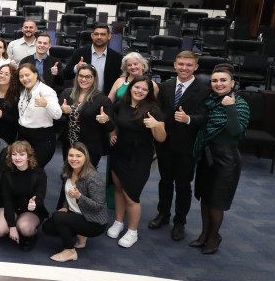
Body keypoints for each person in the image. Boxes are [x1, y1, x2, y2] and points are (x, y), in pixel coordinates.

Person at [148, 51, 209, 242]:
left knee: (183, 186)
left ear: (196, 67)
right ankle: (163, 214)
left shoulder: (203, 90)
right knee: (165, 182)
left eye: (189, 65)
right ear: (175, 65)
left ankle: (180, 222)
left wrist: (188, 118)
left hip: (187, 147)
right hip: (165, 144)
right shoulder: (165, 86)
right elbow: (159, 113)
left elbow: (205, 117)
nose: (184, 68)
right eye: (181, 64)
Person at [191, 64, 250, 255]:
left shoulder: (239, 103)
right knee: (205, 198)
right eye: (215, 80)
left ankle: (214, 237)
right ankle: (204, 234)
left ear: (232, 83)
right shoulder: (210, 101)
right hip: (207, 155)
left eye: (223, 80)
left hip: (226, 160)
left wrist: (231, 108)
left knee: (216, 202)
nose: (218, 84)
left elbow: (236, 132)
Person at [107, 76, 167, 248]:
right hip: (119, 153)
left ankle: (132, 231)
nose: (139, 91)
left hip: (140, 158)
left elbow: (161, 139)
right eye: (137, 87)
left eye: (144, 89)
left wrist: (156, 125)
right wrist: (112, 135)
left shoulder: (154, 110)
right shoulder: (122, 105)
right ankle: (118, 222)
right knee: (118, 190)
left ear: (149, 93)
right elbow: (113, 122)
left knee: (131, 196)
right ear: (131, 88)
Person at [42, 142, 107, 262]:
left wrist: (80, 196)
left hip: (94, 222)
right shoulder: (68, 172)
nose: (74, 159)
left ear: (85, 157)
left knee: (58, 218)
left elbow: (99, 206)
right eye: (71, 155)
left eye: (78, 156)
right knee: (48, 227)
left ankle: (70, 251)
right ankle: (80, 236)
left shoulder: (93, 178)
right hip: (77, 214)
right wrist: (66, 207)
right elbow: (68, 195)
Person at [0, 140, 48, 251]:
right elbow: (7, 200)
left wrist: (35, 204)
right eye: (14, 154)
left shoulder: (39, 174)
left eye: (22, 154)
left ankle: (30, 235)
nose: (18, 158)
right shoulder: (7, 173)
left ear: (28, 156)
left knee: (24, 227)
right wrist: (12, 226)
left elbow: (40, 197)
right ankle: (15, 226)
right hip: (11, 207)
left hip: (30, 210)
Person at [58, 64, 114, 168]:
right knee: (69, 174)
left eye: (88, 77)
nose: (84, 79)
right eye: (81, 76)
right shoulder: (67, 93)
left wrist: (105, 120)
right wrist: (61, 110)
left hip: (90, 147)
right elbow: (56, 116)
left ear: (94, 78)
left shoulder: (102, 100)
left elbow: (111, 127)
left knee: (86, 177)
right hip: (70, 144)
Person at [16, 63, 61, 168]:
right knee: (22, 168)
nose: (24, 79)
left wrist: (46, 104)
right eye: (21, 76)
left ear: (36, 74)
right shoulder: (24, 90)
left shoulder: (46, 91)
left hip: (41, 139)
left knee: (34, 170)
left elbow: (58, 114)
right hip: (23, 136)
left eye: (27, 75)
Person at [63, 23, 123, 94]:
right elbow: (65, 74)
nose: (99, 37)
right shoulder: (80, 53)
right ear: (92, 36)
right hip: (82, 97)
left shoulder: (117, 58)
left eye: (103, 34)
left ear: (109, 36)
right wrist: (76, 68)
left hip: (105, 99)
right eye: (96, 34)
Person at [0, 64, 20, 144]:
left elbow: (17, 118)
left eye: (6, 74)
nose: (2, 76)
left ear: (12, 77)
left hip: (7, 135)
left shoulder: (16, 94)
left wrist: (3, 115)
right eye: (0, 73)